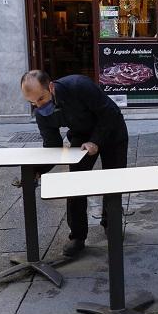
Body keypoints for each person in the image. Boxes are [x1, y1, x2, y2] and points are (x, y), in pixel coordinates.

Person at [20, 70, 128, 257]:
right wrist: (38, 170)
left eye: (41, 98)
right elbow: (52, 147)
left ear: (51, 87)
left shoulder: (79, 85)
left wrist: (96, 141)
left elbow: (109, 113)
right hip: (81, 135)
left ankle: (111, 224)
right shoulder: (41, 113)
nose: (39, 105)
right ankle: (77, 236)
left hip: (112, 130)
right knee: (75, 184)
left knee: (113, 180)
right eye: (33, 103)